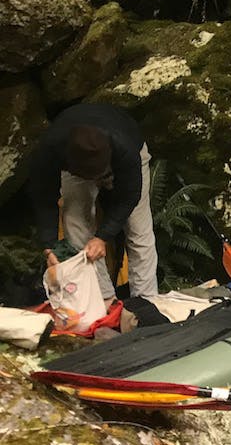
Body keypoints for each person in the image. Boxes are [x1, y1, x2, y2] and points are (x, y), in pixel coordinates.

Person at [27, 102, 159, 301]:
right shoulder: (49, 150)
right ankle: (104, 301)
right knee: (74, 221)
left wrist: (102, 237)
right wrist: (49, 247)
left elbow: (129, 197)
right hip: (75, 162)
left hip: (126, 151)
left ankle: (147, 301)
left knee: (138, 229)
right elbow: (44, 199)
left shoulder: (125, 148)